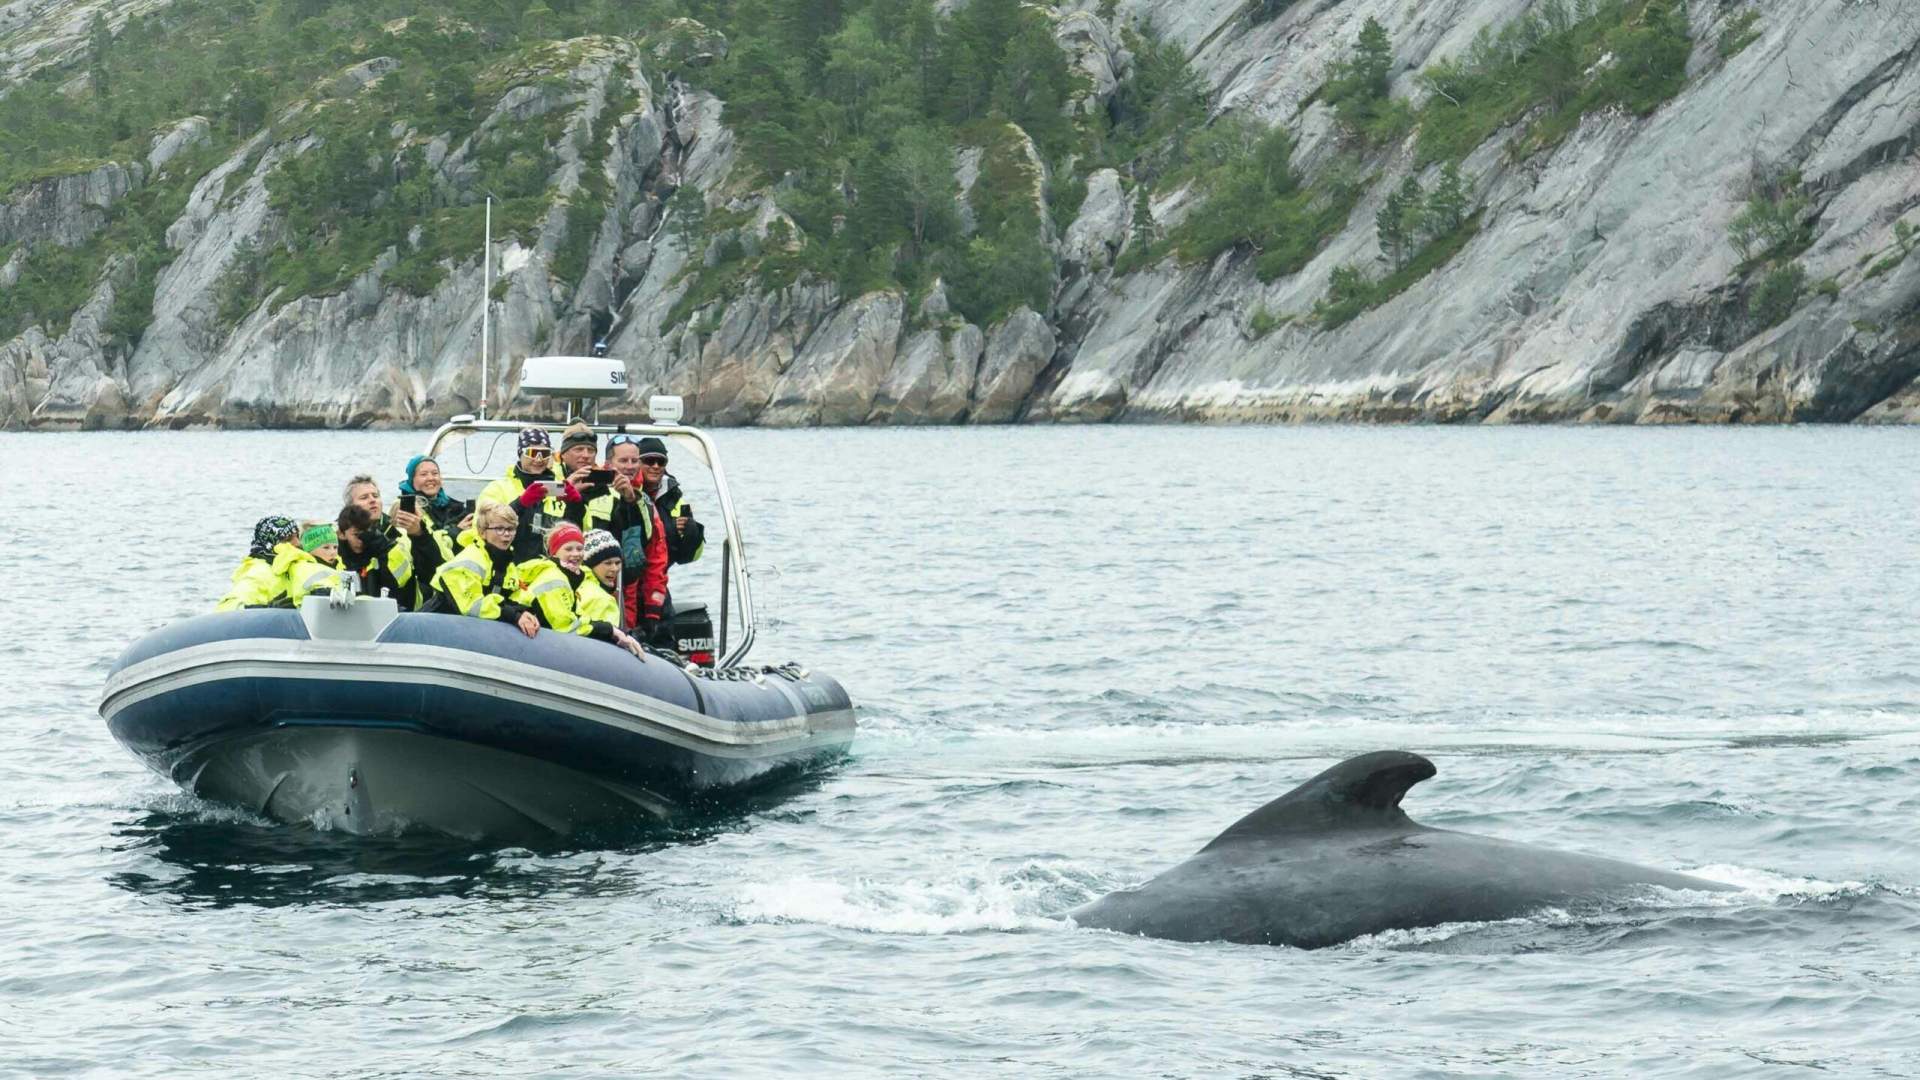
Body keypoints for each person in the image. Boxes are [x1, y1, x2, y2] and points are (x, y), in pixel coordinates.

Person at [570, 433, 669, 637]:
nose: (630, 466)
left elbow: (650, 548)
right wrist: (571, 495)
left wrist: (630, 501)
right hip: (586, 577)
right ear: (608, 463)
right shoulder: (588, 489)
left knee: (626, 631)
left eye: (634, 461)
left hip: (626, 581)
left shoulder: (642, 499)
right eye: (623, 461)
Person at [514, 523, 645, 656]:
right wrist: (610, 630)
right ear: (554, 552)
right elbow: (565, 625)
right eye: (569, 549)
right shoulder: (554, 579)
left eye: (579, 548)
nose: (576, 554)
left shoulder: (577, 577)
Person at [430, 501, 539, 637]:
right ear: (482, 532)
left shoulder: (506, 564)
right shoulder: (468, 561)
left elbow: (511, 598)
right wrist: (514, 615)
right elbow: (472, 607)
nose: (507, 534)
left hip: (465, 633)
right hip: (433, 631)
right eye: (499, 528)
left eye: (511, 529)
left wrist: (524, 612)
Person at [479, 427, 580, 561]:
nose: (538, 459)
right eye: (532, 453)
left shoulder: (560, 488)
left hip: (550, 566)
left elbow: (575, 536)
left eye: (544, 453)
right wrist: (520, 504)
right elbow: (483, 529)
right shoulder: (497, 488)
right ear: (520, 453)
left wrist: (576, 506)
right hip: (510, 564)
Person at [634, 436, 705, 566]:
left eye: (661, 462)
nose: (656, 466)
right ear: (636, 463)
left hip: (660, 572)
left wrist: (692, 533)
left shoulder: (675, 498)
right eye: (649, 461)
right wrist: (670, 529)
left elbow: (688, 558)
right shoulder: (626, 492)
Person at [216, 516, 302, 610]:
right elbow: (226, 608)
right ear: (270, 543)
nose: (298, 543)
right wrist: (267, 609)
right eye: (288, 539)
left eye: (297, 536)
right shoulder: (260, 572)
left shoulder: (296, 566)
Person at [336, 503, 412, 604]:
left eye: (366, 532)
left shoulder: (384, 551)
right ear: (341, 534)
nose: (362, 538)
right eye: (356, 534)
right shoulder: (335, 558)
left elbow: (401, 582)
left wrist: (384, 547)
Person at [286, 522, 351, 606]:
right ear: (310, 550)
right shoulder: (305, 568)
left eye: (335, 547)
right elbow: (320, 588)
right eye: (326, 548)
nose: (333, 552)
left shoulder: (339, 567)